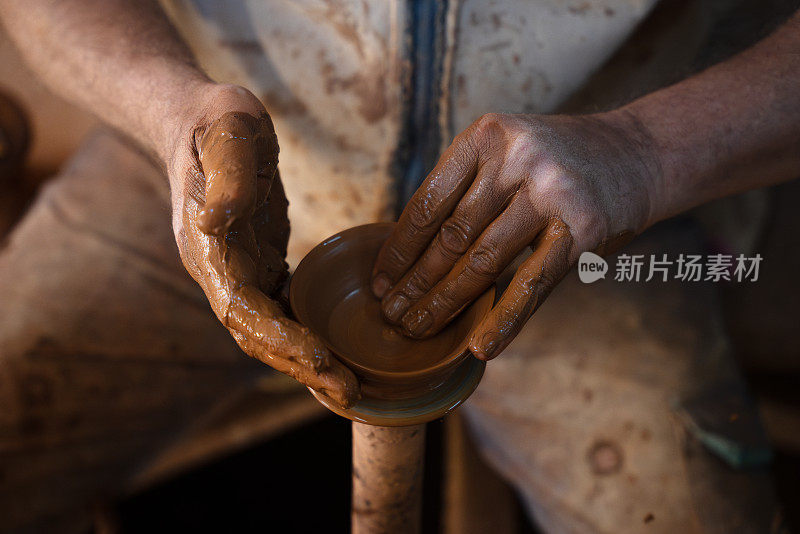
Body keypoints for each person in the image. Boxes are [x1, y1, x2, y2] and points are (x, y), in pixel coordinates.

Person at [0, 0, 797, 531]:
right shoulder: (189, 141)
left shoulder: (613, 171)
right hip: (212, 168)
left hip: (580, 209)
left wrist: (648, 151)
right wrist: (168, 109)